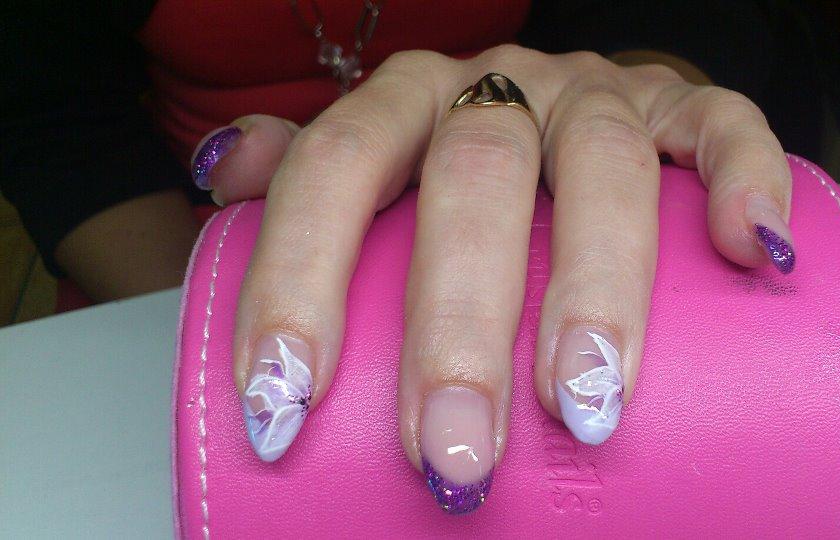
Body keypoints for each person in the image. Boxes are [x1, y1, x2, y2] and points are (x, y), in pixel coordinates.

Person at [2, 1, 795, 514]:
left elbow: (689, 19)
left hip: (542, 212)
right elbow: (53, 115)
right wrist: (205, 311)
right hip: (172, 258)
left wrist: (625, 99)